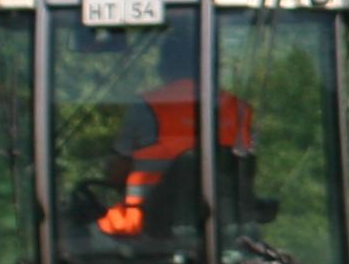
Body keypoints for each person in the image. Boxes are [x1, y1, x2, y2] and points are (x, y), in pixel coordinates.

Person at [99, 35, 254, 241]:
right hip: (227, 228)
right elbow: (248, 170)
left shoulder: (145, 107)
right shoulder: (239, 109)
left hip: (150, 228)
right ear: (211, 65)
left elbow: (116, 172)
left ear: (163, 67)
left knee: (85, 238)